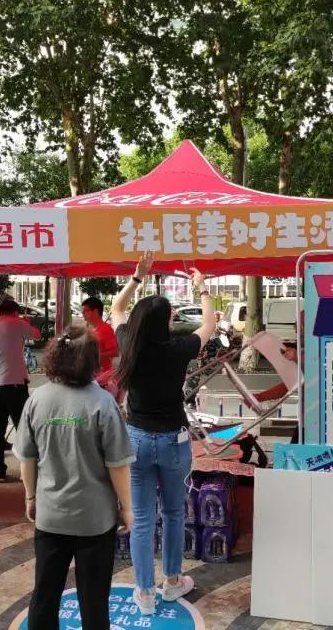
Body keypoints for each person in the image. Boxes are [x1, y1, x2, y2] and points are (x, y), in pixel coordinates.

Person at [112, 252, 216, 615]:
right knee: (173, 512)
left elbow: (116, 307)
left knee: (141, 518)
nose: (173, 320)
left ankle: (144, 593)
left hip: (136, 440)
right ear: (163, 322)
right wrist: (202, 288)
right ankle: (172, 582)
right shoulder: (178, 350)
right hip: (174, 441)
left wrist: (137, 277)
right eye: (170, 316)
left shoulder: (128, 344)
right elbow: (209, 324)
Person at [15, 325, 135, 630]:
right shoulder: (103, 403)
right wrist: (126, 506)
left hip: (50, 516)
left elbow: (27, 458)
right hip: (95, 520)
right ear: (92, 360)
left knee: (45, 594)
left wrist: (31, 497)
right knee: (94, 599)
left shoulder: (37, 400)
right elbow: (118, 465)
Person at [0, 298, 40, 483]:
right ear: (15, 312)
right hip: (14, 383)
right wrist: (27, 323)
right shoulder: (16, 323)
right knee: (23, 427)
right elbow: (37, 335)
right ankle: (29, 468)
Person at [81, 296, 119, 374]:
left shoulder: (106, 329)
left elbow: (115, 352)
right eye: (82, 311)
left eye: (86, 311)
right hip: (88, 372)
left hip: (101, 374)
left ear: (95, 311)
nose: (83, 314)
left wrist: (96, 356)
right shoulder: (86, 327)